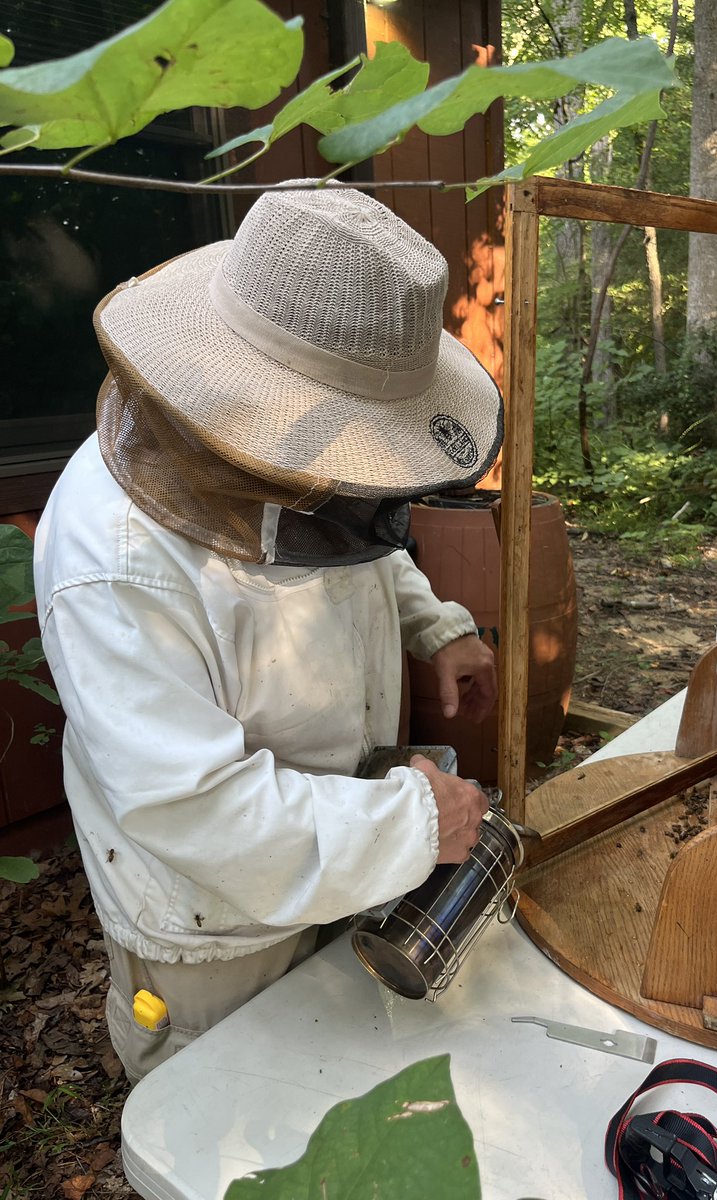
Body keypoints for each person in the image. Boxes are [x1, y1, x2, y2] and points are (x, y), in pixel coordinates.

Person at [33, 182, 504, 1084]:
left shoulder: (311, 466)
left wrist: (432, 623)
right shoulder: (111, 560)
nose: (355, 486)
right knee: (228, 1133)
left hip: (346, 844)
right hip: (214, 929)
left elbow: (352, 532)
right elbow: (194, 807)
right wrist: (409, 821)